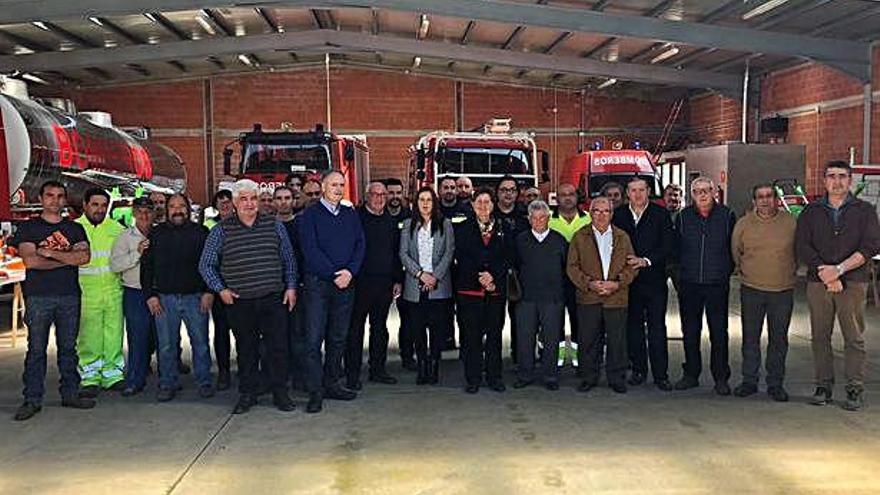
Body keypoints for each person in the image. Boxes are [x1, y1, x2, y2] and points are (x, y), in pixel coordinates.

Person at [200, 179, 299, 414]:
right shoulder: (220, 230)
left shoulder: (274, 225)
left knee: (278, 349)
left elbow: (289, 259)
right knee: (246, 350)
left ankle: (280, 393)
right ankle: (248, 394)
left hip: (274, 298)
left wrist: (291, 287)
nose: (249, 203)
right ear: (234, 203)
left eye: (253, 198)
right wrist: (220, 289)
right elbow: (206, 265)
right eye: (243, 199)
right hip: (239, 301)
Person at [796, 160, 880, 411]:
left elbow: (871, 245)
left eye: (842, 176)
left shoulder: (865, 211)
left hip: (853, 283)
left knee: (853, 338)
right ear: (824, 181)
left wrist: (840, 270)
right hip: (818, 282)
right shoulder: (811, 212)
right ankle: (823, 386)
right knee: (820, 337)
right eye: (831, 176)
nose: (837, 181)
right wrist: (826, 273)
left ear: (850, 180)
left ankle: (854, 388)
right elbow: (802, 246)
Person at [11, 181, 94, 421]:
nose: (55, 200)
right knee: (36, 350)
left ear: (65, 200)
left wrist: (50, 253)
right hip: (38, 297)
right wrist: (67, 258)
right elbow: (31, 262)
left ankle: (70, 393)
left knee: (68, 349)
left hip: (69, 295)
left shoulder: (75, 228)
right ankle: (32, 399)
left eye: (60, 196)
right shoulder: (28, 229)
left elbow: (84, 257)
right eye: (50, 195)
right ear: (41, 198)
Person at [298, 171, 365, 413]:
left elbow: (360, 244)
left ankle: (332, 383)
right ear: (323, 187)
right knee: (314, 340)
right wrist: (334, 274)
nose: (338, 188)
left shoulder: (350, 214)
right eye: (333, 184)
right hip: (319, 285)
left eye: (341, 185)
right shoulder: (309, 216)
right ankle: (315, 391)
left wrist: (350, 271)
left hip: (346, 284)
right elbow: (310, 249)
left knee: (338, 338)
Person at [141, 194, 215, 402]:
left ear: (188, 209)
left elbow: (212, 264)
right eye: (172, 206)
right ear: (166, 210)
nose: (177, 210)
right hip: (164, 299)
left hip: (196, 297)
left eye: (181, 206)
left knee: (200, 343)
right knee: (166, 345)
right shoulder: (156, 234)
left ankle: (204, 381)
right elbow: (147, 267)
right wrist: (150, 295)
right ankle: (168, 383)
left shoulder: (201, 233)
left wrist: (209, 291)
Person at [732, 183, 797, 402]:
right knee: (750, 338)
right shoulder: (743, 224)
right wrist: (746, 272)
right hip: (752, 289)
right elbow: (736, 252)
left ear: (776, 199)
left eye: (769, 196)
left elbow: (799, 251)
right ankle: (749, 381)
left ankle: (775, 384)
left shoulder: (790, 223)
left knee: (778, 339)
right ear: (754, 201)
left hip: (782, 290)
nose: (765, 200)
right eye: (760, 196)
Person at [673, 177, 737, 395]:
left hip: (716, 284)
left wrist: (725, 271)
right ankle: (691, 374)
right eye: (697, 191)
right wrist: (680, 274)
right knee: (690, 331)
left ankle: (720, 377)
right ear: (692, 195)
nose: (702, 195)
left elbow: (734, 247)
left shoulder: (727, 215)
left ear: (714, 193)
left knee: (719, 332)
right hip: (689, 283)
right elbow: (676, 248)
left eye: (706, 191)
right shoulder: (683, 217)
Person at [567, 196, 637, 394]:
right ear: (590, 213)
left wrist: (617, 283)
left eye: (605, 211)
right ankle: (589, 377)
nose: (601, 215)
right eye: (596, 211)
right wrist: (589, 284)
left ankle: (617, 378)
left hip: (616, 298)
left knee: (617, 341)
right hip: (589, 297)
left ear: (611, 214)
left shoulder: (622, 237)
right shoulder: (580, 237)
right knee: (589, 340)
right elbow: (571, 267)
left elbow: (632, 266)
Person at [612, 178, 674, 391]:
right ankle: (638, 370)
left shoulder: (660, 214)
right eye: (633, 190)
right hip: (629, 282)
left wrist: (646, 261)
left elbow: (668, 245)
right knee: (633, 328)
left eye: (641, 190)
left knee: (657, 328)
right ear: (627, 193)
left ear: (648, 191)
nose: (637, 194)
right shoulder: (618, 215)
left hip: (654, 280)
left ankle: (661, 375)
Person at [345, 181, 402, 389]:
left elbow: (395, 252)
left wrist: (397, 279)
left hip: (384, 283)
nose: (379, 199)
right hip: (359, 283)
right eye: (375, 194)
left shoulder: (390, 220)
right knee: (355, 329)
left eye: (383, 195)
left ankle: (378, 369)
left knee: (379, 329)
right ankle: (352, 373)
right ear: (367, 196)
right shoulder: (355, 218)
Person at [455, 188, 509, 394]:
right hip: (470, 291)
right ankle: (473, 378)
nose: (483, 206)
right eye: (479, 202)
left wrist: (493, 277)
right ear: (472, 205)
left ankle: (495, 377)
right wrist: (481, 276)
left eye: (487, 202)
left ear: (493, 205)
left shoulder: (504, 227)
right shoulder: (463, 229)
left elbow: (507, 256)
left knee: (494, 336)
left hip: (495, 291)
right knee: (471, 337)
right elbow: (461, 256)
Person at [400, 186, 455, 384]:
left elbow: (449, 253)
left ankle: (434, 365)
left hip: (439, 286)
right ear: (416, 203)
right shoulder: (408, 224)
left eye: (429, 200)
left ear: (435, 203)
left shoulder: (445, 224)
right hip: (415, 285)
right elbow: (403, 254)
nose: (425, 203)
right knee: (417, 329)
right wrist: (421, 274)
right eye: (421, 199)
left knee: (437, 329)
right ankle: (422, 365)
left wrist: (434, 277)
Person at [76, 187, 126, 397]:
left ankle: (113, 374)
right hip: (86, 292)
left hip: (114, 291)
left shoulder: (117, 230)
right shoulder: (75, 229)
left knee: (114, 334)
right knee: (89, 336)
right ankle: (90, 376)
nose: (99, 209)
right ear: (85, 205)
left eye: (104, 205)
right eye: (95, 204)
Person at [513, 200, 566, 390]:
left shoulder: (559, 240)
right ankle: (525, 375)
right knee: (525, 338)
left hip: (553, 298)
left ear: (548, 218)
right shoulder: (520, 240)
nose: (538, 221)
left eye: (542, 217)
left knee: (551, 339)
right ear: (529, 219)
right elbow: (514, 268)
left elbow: (566, 269)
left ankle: (550, 375)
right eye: (534, 218)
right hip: (526, 298)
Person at [109, 197, 155, 396]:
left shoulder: (161, 234)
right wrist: (136, 254)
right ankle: (135, 379)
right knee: (137, 337)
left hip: (158, 292)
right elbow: (115, 265)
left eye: (148, 211)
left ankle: (166, 377)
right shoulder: (124, 237)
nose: (144, 215)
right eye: (140, 211)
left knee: (161, 337)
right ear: (134, 213)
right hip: (135, 293)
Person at [549, 183, 591, 370]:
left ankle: (577, 360)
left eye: (571, 194)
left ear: (577, 197)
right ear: (556, 198)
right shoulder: (547, 220)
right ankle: (555, 360)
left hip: (580, 281)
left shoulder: (589, 219)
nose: (567, 198)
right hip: (555, 281)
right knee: (554, 323)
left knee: (580, 322)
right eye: (563, 195)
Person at [495, 176, 529, 364]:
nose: (508, 193)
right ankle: (494, 360)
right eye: (504, 190)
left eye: (512, 190)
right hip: (495, 276)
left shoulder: (525, 216)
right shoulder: (490, 215)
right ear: (497, 193)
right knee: (494, 322)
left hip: (520, 276)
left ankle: (519, 359)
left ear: (517, 193)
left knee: (520, 321)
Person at [384, 178, 416, 371]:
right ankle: (378, 361)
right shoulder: (379, 215)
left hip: (406, 275)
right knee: (378, 321)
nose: (394, 197)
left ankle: (407, 356)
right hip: (383, 276)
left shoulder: (410, 218)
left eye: (398, 193)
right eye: (391, 193)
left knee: (409, 318)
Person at [207, 189, 236, 391]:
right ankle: (224, 371)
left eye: (227, 201)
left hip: (241, 287)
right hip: (219, 288)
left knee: (245, 332)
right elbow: (205, 261)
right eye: (221, 202)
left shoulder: (240, 223)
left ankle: (246, 368)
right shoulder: (209, 226)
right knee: (221, 332)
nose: (224, 205)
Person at [663, 183, 684, 293]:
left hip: (680, 264)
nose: (672, 198)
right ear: (664, 197)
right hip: (661, 263)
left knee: (685, 296)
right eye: (669, 195)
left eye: (676, 195)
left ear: (681, 197)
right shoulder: (657, 216)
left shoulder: (687, 217)